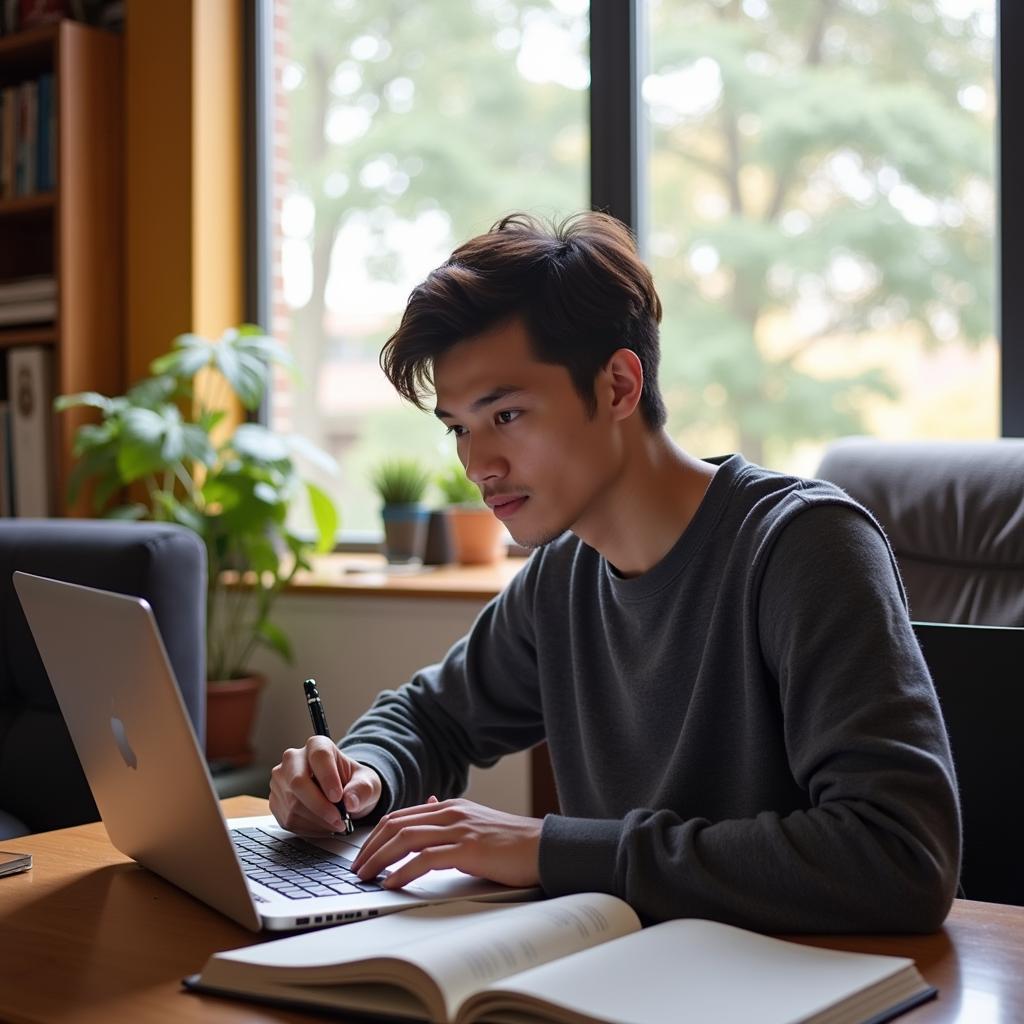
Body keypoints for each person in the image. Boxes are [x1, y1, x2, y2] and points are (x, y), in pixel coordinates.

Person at [270, 211, 960, 932]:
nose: (476, 466)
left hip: (820, 985)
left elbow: (899, 854)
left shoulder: (803, 547)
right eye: (458, 429)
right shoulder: (565, 576)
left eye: (504, 415)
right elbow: (432, 718)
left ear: (619, 387)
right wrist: (361, 775)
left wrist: (551, 849)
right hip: (635, 975)